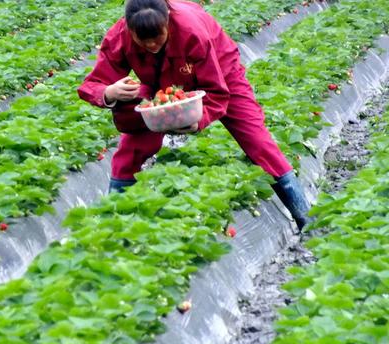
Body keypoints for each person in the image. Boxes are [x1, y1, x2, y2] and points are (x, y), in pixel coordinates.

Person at [77, 0, 312, 230]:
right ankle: (111, 227)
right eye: (142, 40)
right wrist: (108, 92)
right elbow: (94, 83)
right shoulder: (119, 36)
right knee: (131, 151)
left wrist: (198, 120)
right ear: (129, 29)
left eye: (157, 36)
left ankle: (305, 218)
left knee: (257, 141)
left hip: (221, 73)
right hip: (162, 86)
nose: (151, 45)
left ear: (167, 21)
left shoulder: (191, 31)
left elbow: (217, 92)